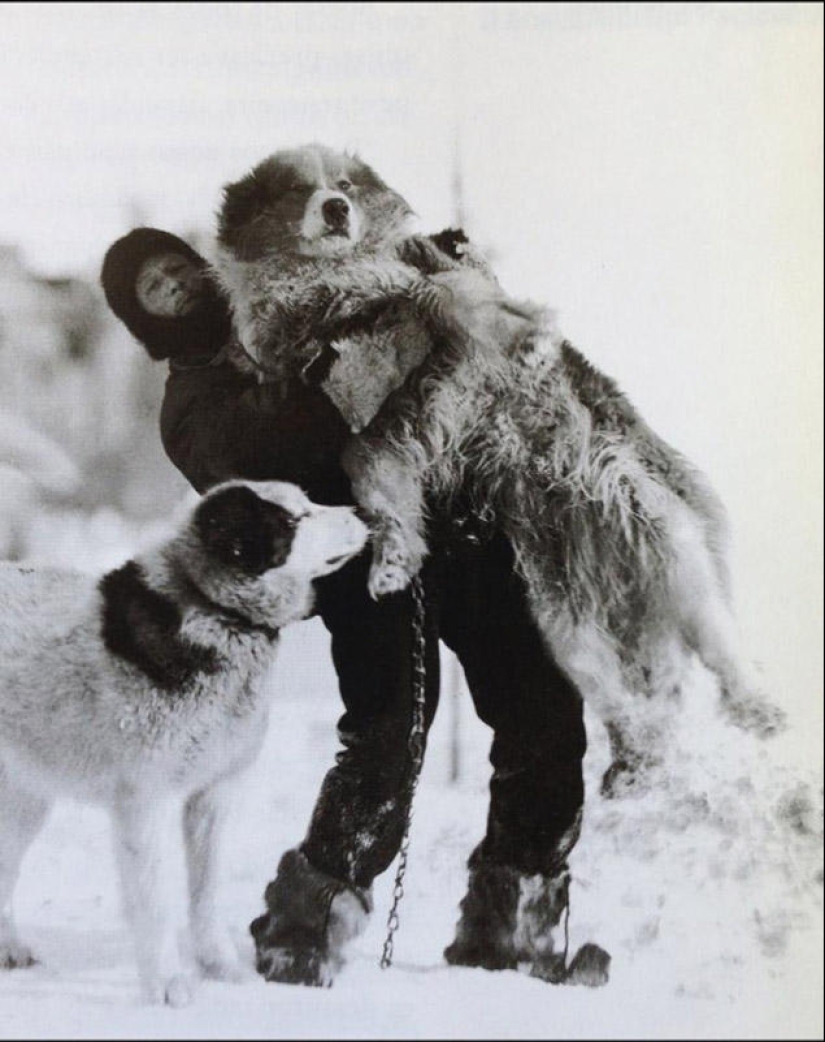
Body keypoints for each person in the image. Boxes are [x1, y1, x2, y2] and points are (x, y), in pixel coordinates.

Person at [101, 227, 606, 988]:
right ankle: (305, 922)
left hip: (456, 529)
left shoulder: (282, 302)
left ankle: (517, 920)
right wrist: (331, 383)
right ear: (146, 321)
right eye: (155, 290)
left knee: (542, 711)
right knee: (389, 735)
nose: (176, 286)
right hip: (363, 563)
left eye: (176, 267)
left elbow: (373, 288)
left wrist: (432, 261)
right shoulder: (190, 404)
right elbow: (250, 464)